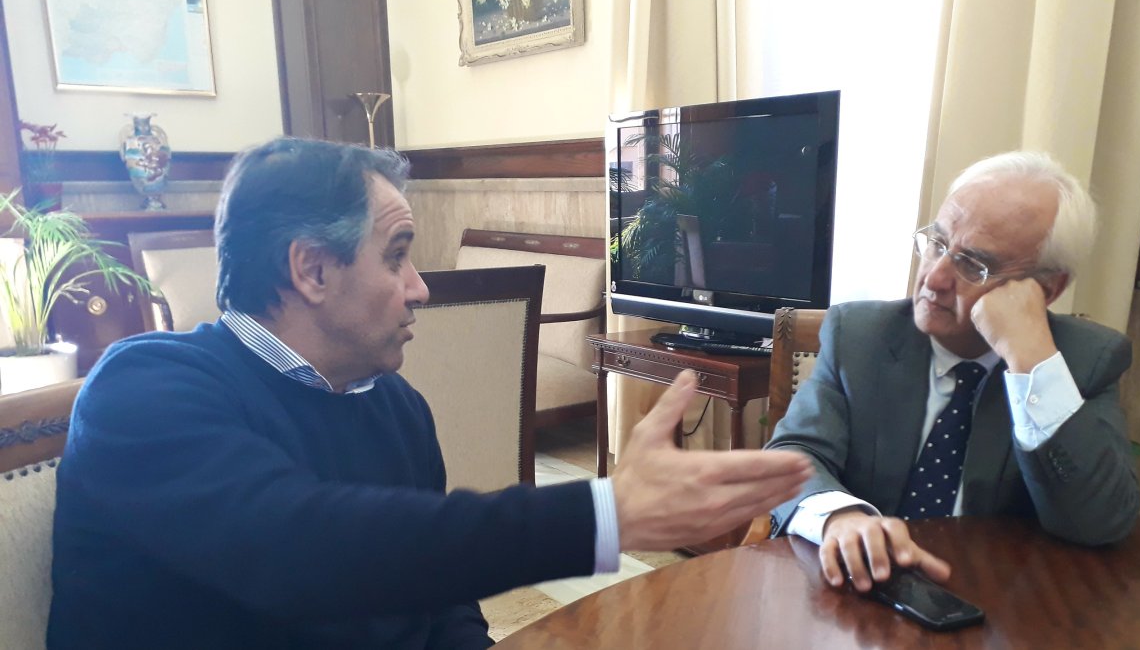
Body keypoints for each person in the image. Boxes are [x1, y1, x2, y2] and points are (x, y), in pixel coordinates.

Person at [47, 137, 812, 649]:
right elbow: (305, 549)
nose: (419, 289)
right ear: (312, 270)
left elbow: (440, 601)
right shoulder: (141, 392)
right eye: (399, 256)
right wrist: (606, 511)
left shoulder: (394, 404)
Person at [766, 151, 1140, 593]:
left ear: (1046, 288)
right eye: (937, 244)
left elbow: (1099, 521)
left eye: (973, 264)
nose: (935, 277)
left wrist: (1032, 362)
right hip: (862, 592)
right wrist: (840, 517)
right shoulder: (860, 336)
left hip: (1003, 604)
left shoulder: (1085, 360)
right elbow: (791, 456)